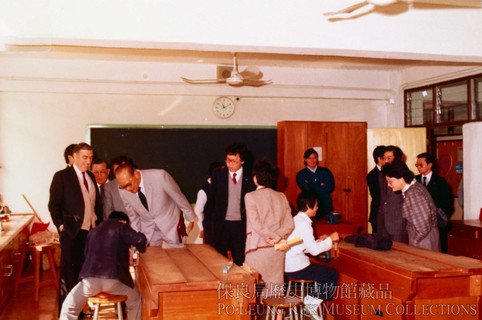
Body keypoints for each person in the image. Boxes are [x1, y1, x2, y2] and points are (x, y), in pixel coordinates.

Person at [59, 211, 147, 320]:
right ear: (123, 221)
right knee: (135, 300)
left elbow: (86, 256)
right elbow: (140, 239)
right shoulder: (121, 226)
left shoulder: (93, 231)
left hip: (90, 282)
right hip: (115, 282)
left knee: (68, 308)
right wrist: (140, 250)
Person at [48, 142, 103, 315]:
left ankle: (80, 310)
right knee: (69, 274)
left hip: (90, 232)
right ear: (75, 157)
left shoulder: (91, 177)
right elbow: (53, 204)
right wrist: (61, 225)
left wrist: (99, 225)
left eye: (90, 158)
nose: (88, 161)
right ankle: (66, 314)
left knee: (84, 274)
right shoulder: (62, 176)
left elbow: (96, 204)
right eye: (85, 157)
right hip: (72, 232)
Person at [285, 191, 339, 320]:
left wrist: (319, 241)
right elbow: (314, 251)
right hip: (297, 268)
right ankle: (311, 303)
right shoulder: (304, 224)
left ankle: (311, 300)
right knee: (332, 274)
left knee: (323, 272)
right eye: (316, 205)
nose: (317, 208)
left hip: (289, 266)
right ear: (309, 206)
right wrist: (330, 239)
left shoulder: (297, 219)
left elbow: (304, 246)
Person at [244, 159, 294, 297]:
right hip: (277, 251)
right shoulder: (281, 196)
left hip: (257, 250)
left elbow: (257, 225)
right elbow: (289, 225)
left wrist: (273, 238)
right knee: (276, 294)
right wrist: (278, 238)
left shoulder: (250, 196)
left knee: (253, 294)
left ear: (255, 178)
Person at [115, 162, 195, 247]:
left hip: (171, 224)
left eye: (129, 184)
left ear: (136, 173)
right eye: (123, 186)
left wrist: (191, 217)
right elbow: (133, 216)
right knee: (151, 258)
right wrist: (136, 237)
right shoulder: (122, 190)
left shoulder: (159, 176)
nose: (128, 189)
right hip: (149, 230)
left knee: (180, 256)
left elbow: (177, 196)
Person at [211, 142, 256, 266]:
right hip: (222, 224)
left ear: (242, 161)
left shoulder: (251, 176)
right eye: (228, 160)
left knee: (240, 259)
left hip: (241, 225)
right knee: (219, 259)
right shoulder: (218, 174)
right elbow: (212, 200)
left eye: (234, 161)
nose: (229, 163)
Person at [382, 160, 440, 251]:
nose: (389, 185)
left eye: (390, 181)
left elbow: (423, 227)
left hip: (424, 241)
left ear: (401, 179)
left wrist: (415, 242)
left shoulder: (413, 194)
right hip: (424, 238)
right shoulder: (413, 188)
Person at [415, 152, 454, 253]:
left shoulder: (441, 181)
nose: (418, 168)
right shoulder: (414, 181)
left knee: (438, 251)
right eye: (416, 165)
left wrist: (441, 218)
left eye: (421, 165)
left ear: (430, 165)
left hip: (437, 224)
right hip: (419, 224)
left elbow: (448, 204)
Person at [378, 145, 407, 243]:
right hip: (384, 218)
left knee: (398, 250)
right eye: (384, 158)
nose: (386, 161)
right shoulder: (383, 172)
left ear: (397, 158)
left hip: (398, 219)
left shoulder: (402, 172)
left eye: (389, 158)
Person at [296, 148, 335, 218]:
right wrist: (321, 185)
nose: (312, 160)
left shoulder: (325, 171)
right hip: (310, 207)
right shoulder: (301, 174)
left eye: (314, 158)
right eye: (309, 158)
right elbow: (306, 189)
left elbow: (331, 187)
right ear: (305, 159)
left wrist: (311, 185)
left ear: (317, 159)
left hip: (326, 205)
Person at [193, 161, 225, 246]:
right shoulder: (204, 190)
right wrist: (202, 227)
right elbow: (198, 210)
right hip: (210, 229)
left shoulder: (222, 187)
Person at [102, 155, 135, 220]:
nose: (120, 172)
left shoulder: (137, 182)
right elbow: (108, 212)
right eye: (116, 170)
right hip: (120, 226)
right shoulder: (109, 187)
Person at [366, 145, 386, 233]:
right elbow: (377, 196)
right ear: (379, 159)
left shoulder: (390, 172)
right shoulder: (372, 175)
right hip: (378, 213)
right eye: (386, 158)